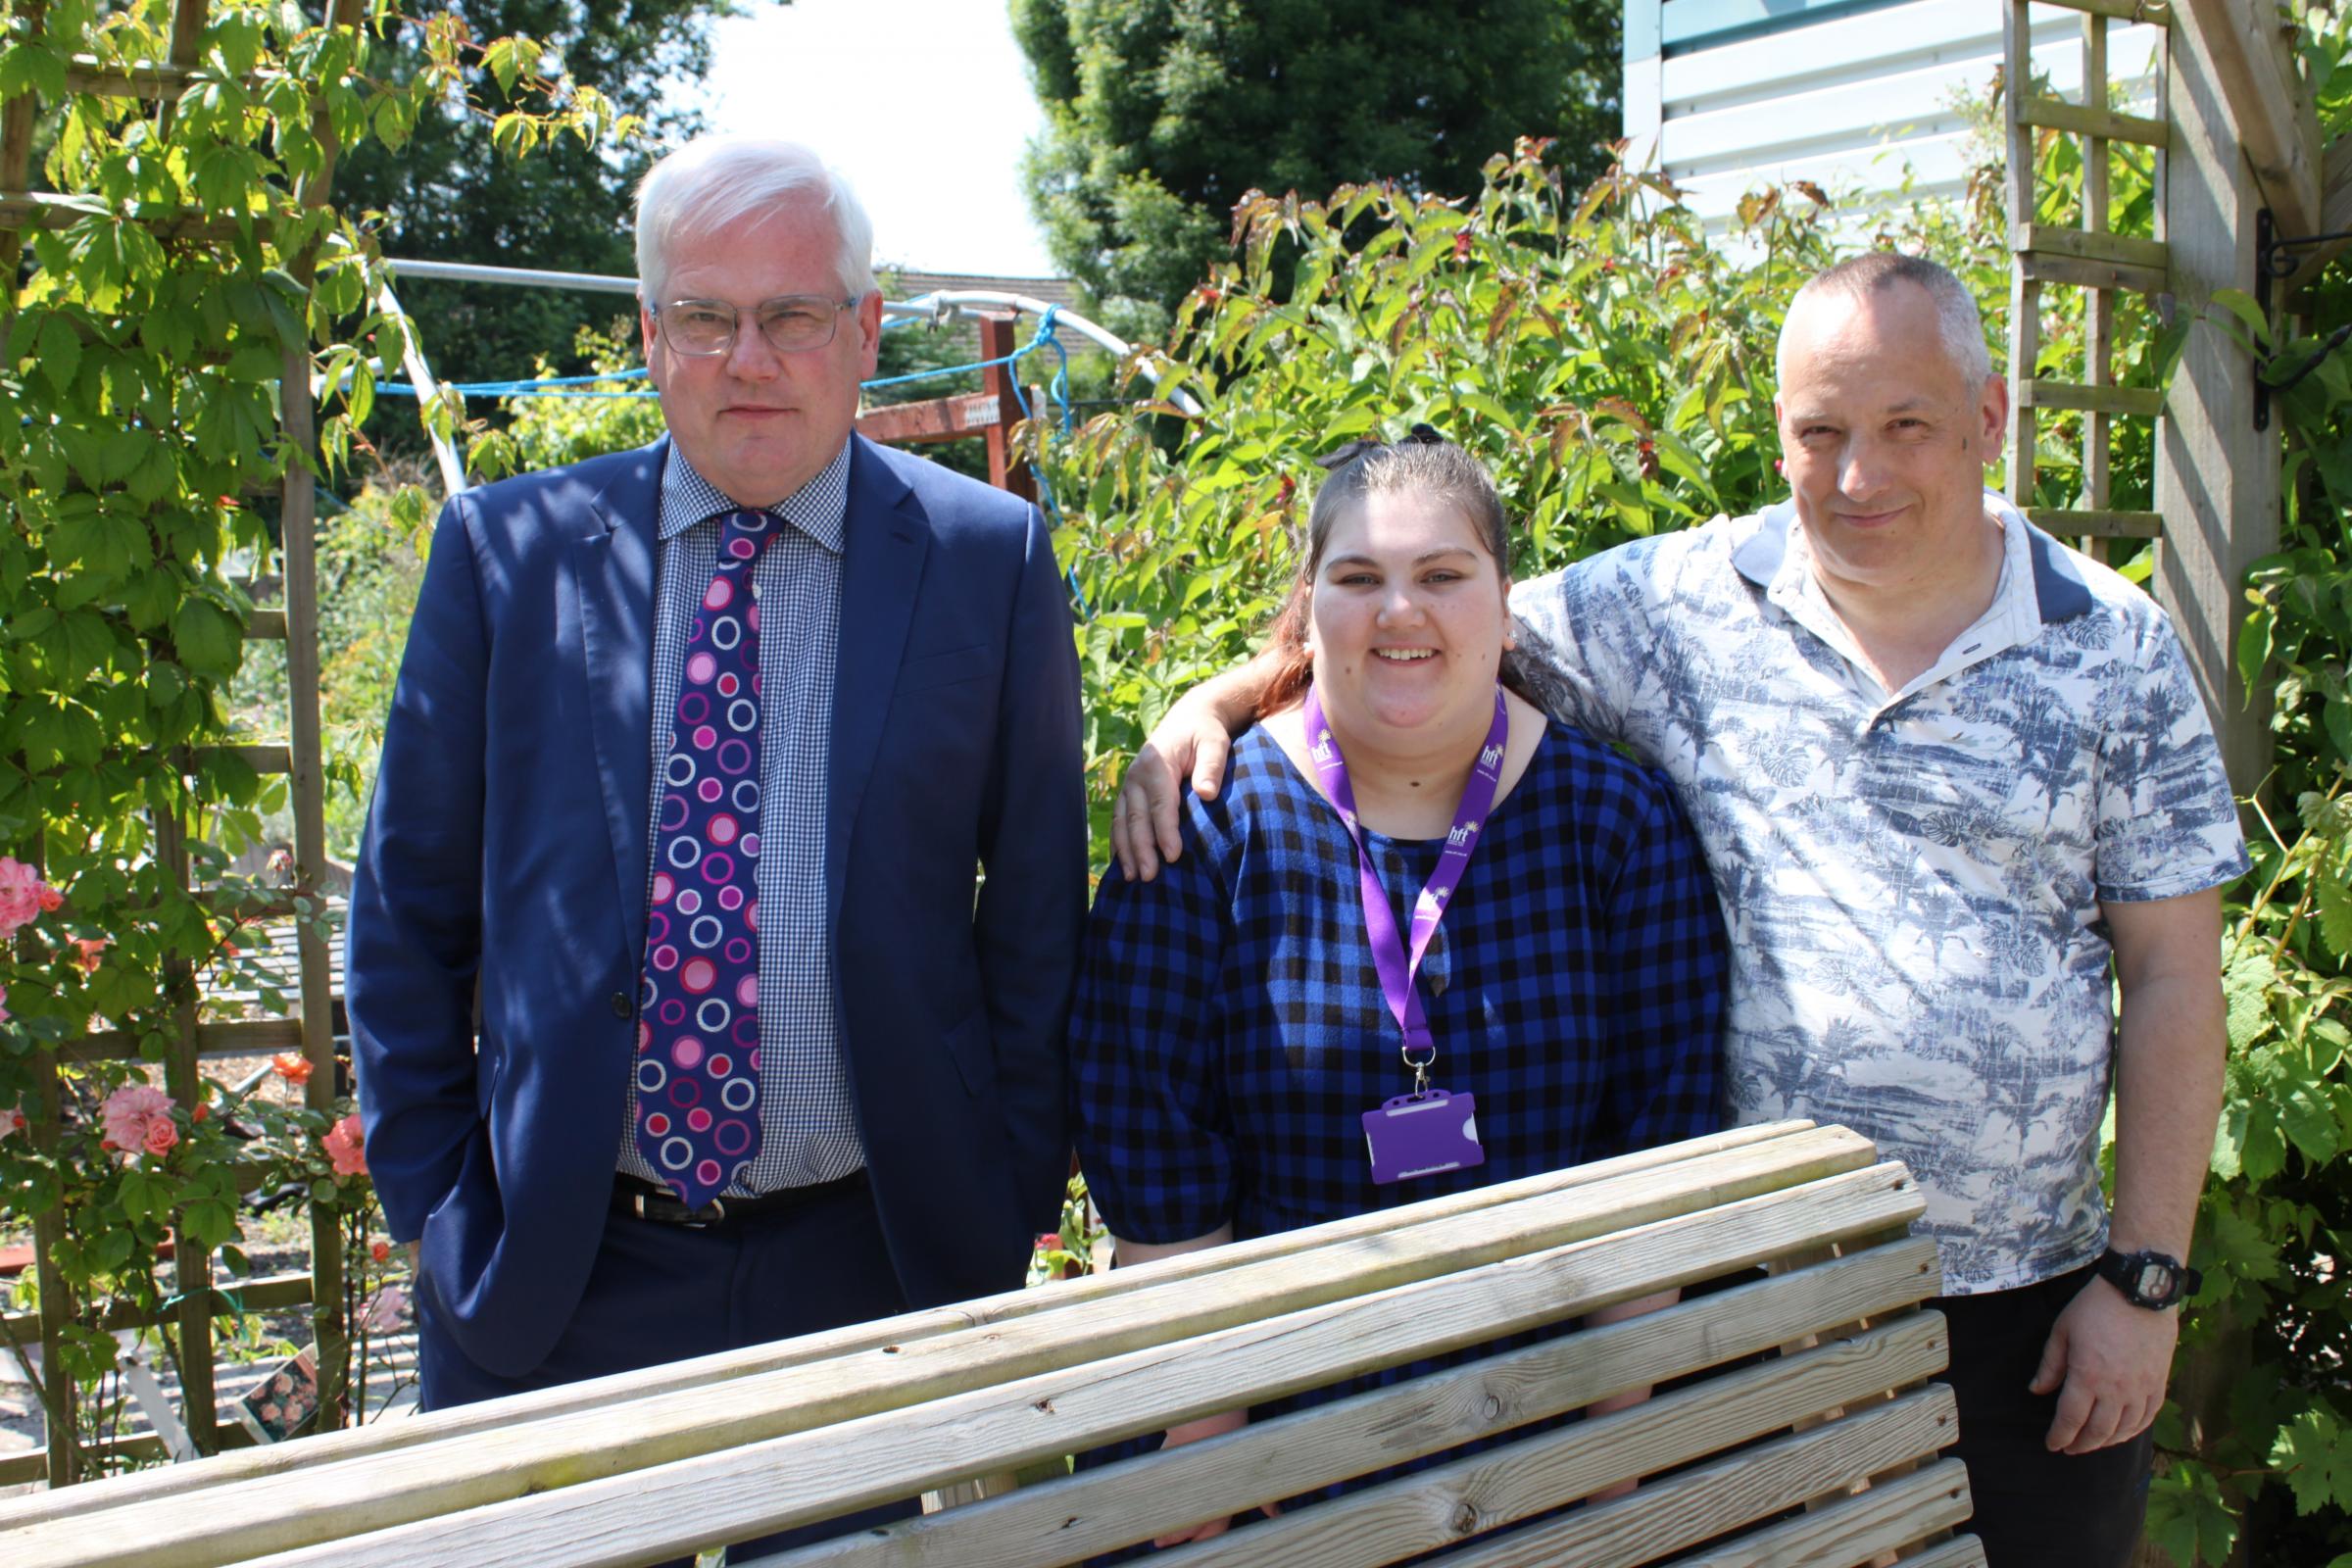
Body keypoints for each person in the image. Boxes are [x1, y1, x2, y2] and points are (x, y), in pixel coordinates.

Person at [1111, 255, 2243, 1568]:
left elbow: (2174, 980)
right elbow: (1416, 623)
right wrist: (1212, 702)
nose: (1859, 477)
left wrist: (2144, 1280)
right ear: (1781, 434)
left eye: (1906, 428)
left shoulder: (2114, 646)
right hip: (1747, 1310)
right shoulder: (1672, 606)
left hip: (2024, 1306)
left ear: (1989, 422)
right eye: (1821, 433)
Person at [347, 137, 1087, 1541]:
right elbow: (403, 917)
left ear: (865, 333)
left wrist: (999, 1197)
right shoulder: (512, 557)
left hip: (867, 1271)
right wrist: (441, 1215)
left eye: (795, 315)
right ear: (650, 333)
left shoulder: (988, 562)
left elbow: (1037, 914)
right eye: (706, 315)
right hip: (558, 1279)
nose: (751, 358)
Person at [1072, 429, 1729, 1551]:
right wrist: (1227, 1498)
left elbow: (1658, 1172)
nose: (1400, 613)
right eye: (1360, 578)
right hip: (1261, 1445)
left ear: (1504, 605)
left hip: (1551, 1441)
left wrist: (1608, 1479)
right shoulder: (1203, 836)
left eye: (1442, 575)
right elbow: (1166, 1200)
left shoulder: (1616, 826)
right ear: (1307, 605)